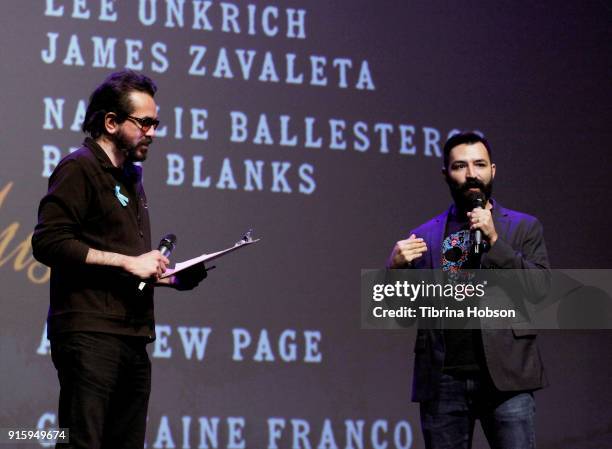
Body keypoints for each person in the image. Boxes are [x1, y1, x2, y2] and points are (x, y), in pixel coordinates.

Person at [32, 70, 207, 449]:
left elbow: (132, 263)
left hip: (131, 335)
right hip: (91, 334)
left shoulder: (130, 178)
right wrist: (128, 263)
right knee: (82, 442)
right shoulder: (79, 167)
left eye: (155, 123)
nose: (153, 132)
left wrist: (169, 277)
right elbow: (48, 242)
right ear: (111, 122)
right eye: (145, 122)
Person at [387, 131, 550, 449]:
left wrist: (495, 243)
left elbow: (540, 292)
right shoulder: (424, 235)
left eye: (479, 164)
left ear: (493, 170)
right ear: (446, 173)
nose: (471, 174)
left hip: (506, 379)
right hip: (443, 380)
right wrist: (393, 270)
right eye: (460, 166)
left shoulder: (523, 227)